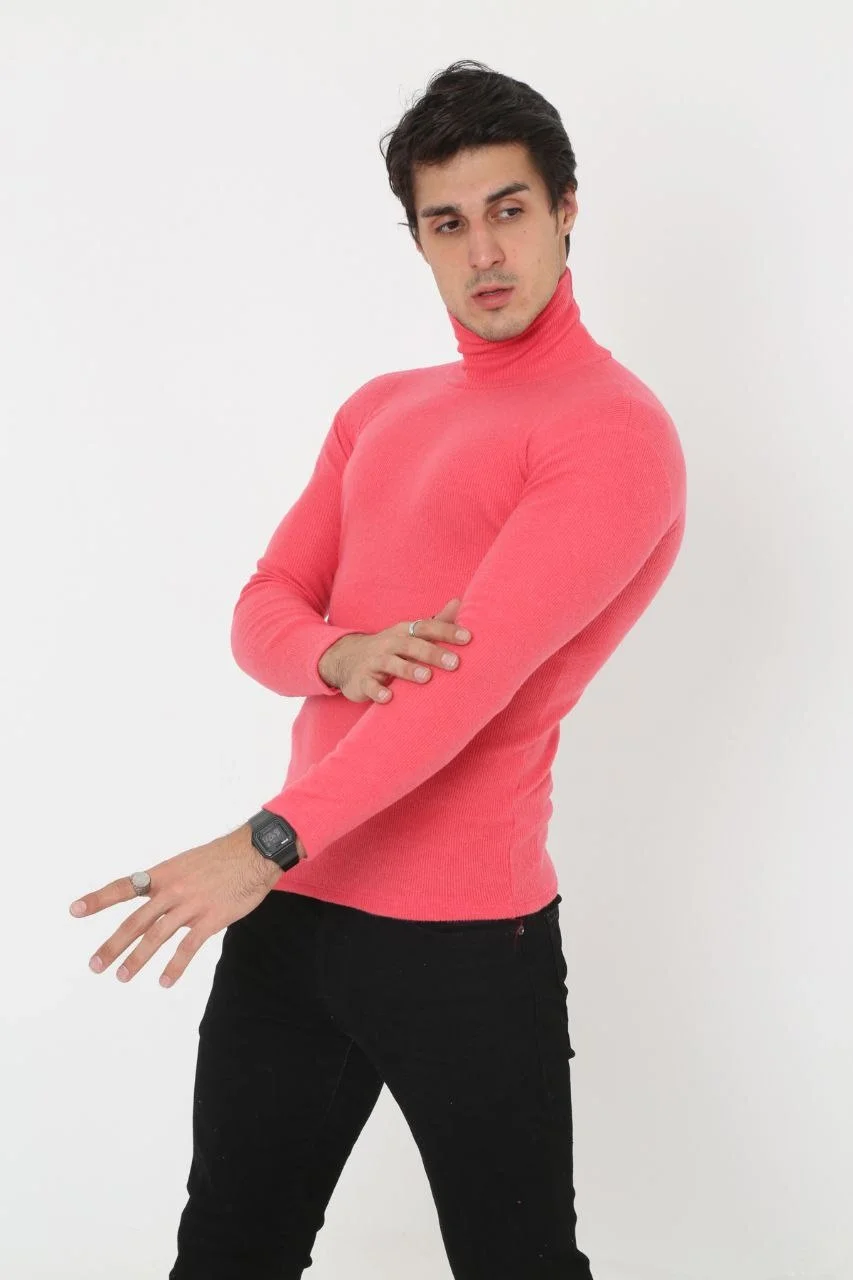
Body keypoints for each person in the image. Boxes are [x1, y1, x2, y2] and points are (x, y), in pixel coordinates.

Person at [71, 59, 686, 1279]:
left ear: (566, 208)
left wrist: (259, 843)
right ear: (416, 239)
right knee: (227, 1249)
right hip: (294, 917)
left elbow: (463, 693)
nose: (483, 252)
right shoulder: (381, 408)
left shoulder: (610, 431)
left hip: (459, 941)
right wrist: (335, 651)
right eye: (446, 223)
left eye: (508, 209)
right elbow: (261, 609)